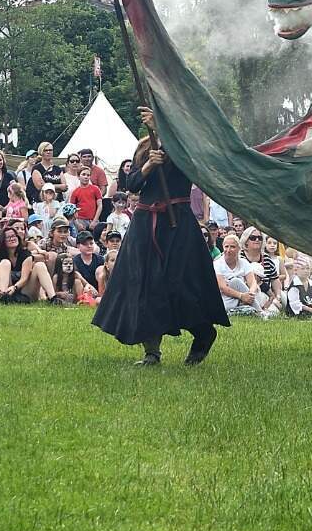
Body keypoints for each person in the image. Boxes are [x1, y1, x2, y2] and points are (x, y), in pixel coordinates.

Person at [90, 106, 226, 365]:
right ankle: (151, 351)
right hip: (145, 222)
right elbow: (131, 185)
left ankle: (203, 334)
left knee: (182, 283)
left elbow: (191, 165)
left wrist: (161, 131)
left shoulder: (184, 143)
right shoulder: (144, 147)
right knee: (143, 285)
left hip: (178, 223)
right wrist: (150, 164)